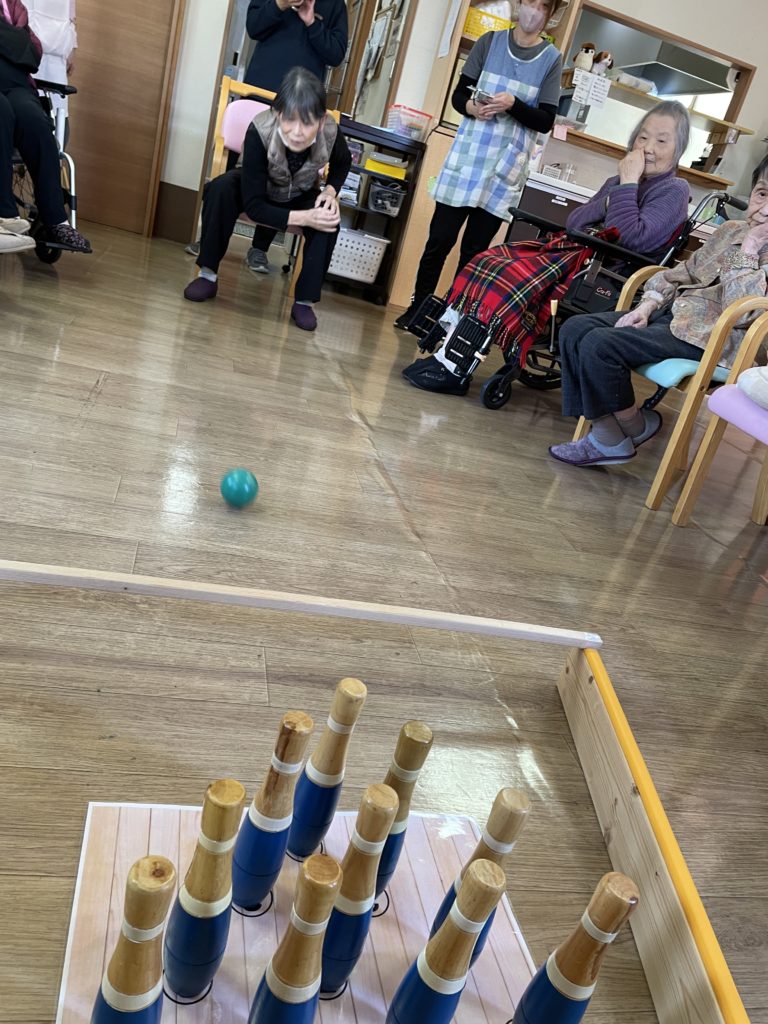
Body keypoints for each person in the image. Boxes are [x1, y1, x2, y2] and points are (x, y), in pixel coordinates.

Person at [402, 101, 692, 395]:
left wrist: (627, 184)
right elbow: (575, 222)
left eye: (661, 141)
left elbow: (632, 238)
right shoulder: (615, 181)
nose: (648, 147)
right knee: (490, 260)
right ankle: (448, 354)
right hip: (575, 256)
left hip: (605, 276)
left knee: (509, 275)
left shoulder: (673, 190)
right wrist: (612, 197)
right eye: (643, 137)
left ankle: (454, 367)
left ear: (678, 150)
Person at [548, 156, 768, 468]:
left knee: (599, 344)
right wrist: (648, 305)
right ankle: (622, 430)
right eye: (762, 194)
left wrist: (750, 249)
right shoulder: (731, 230)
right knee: (574, 329)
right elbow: (681, 273)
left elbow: (743, 312)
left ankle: (614, 436)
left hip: (715, 340)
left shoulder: (749, 241)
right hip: (672, 318)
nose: (765, 209)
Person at [394, 0, 565, 332]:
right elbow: (459, 95)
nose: (533, 11)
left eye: (543, 6)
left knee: (474, 252)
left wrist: (513, 104)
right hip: (469, 160)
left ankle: (450, 320)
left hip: (504, 171)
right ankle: (418, 308)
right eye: (529, 2)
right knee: (439, 240)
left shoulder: (551, 59)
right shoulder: (489, 42)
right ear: (519, 4)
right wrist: (472, 107)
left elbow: (545, 120)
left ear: (551, 14)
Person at [183, 66, 351, 333]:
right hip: (257, 188)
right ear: (278, 113)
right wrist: (305, 218)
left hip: (300, 192)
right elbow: (254, 206)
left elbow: (343, 162)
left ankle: (304, 302)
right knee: (220, 188)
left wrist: (330, 192)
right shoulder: (259, 129)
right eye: (290, 120)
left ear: (320, 122)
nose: (297, 131)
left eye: (307, 123)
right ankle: (207, 275)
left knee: (329, 219)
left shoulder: (330, 130)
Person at [240, 0, 348, 275]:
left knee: (286, 173)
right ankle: (214, 234)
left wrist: (312, 22)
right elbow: (253, 27)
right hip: (260, 89)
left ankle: (260, 247)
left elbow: (336, 54)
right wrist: (280, 4)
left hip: (304, 102)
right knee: (239, 162)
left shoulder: (335, 4)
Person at [0, 0, 89, 251]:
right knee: (1, 111)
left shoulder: (12, 5)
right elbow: (22, 45)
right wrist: (15, 41)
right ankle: (5, 215)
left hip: (16, 84)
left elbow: (33, 52)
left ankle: (56, 221)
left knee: (35, 121)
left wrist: (14, 42)